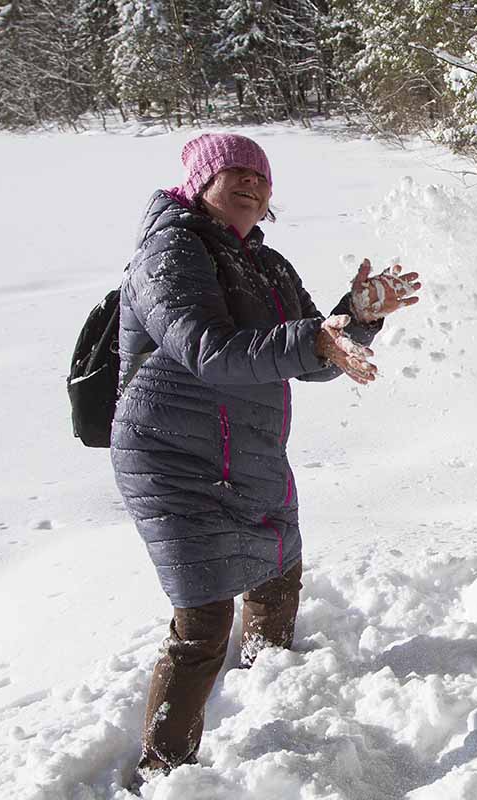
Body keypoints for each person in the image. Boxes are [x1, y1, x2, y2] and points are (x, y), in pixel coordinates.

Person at [111, 133, 419, 787]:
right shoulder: (170, 249)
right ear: (201, 183)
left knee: (279, 570)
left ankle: (274, 687)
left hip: (247, 447)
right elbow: (210, 351)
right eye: (235, 173)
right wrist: (316, 341)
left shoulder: (267, 263)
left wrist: (355, 318)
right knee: (204, 616)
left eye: (261, 176)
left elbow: (314, 355)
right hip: (172, 456)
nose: (252, 183)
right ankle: (164, 771)